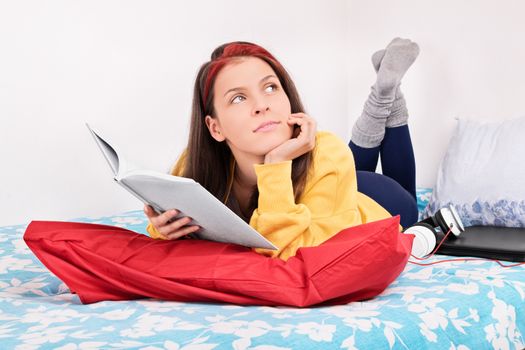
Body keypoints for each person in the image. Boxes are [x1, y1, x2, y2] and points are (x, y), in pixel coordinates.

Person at [144, 38, 420, 260]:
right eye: (239, 98)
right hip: (331, 190)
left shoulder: (328, 154)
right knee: (341, 165)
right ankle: (386, 93)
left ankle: (385, 96)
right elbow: (174, 225)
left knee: (408, 197)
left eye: (271, 87)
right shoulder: (194, 165)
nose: (262, 105)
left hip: (378, 201)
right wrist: (163, 229)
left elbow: (291, 253)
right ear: (215, 128)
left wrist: (275, 166)